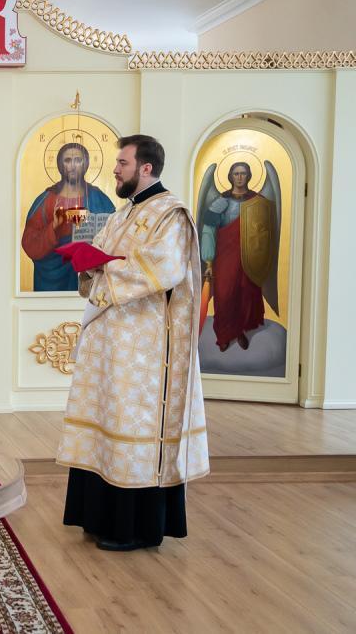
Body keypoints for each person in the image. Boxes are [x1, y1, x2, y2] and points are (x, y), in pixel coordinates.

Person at [57, 135, 209, 550]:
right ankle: (96, 516)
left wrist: (107, 269)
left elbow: (165, 268)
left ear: (146, 168)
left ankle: (133, 528)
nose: (115, 170)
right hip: (111, 341)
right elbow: (102, 253)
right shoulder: (123, 213)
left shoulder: (171, 214)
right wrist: (87, 260)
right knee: (106, 416)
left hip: (144, 347)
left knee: (130, 422)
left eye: (122, 163)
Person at [21, 143, 116, 291]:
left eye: (78, 160)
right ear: (60, 165)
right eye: (67, 160)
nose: (72, 166)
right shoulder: (46, 200)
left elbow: (117, 235)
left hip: (90, 274)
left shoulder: (99, 198)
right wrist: (53, 227)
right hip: (52, 278)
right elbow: (29, 243)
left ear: (85, 164)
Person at [200, 162, 271, 351]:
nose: (239, 177)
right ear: (230, 176)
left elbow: (265, 232)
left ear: (249, 176)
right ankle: (224, 334)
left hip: (249, 257)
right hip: (225, 257)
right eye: (236, 173)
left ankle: (240, 331)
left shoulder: (257, 201)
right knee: (224, 295)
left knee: (245, 294)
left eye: (243, 173)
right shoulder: (220, 202)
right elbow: (209, 231)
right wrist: (208, 261)